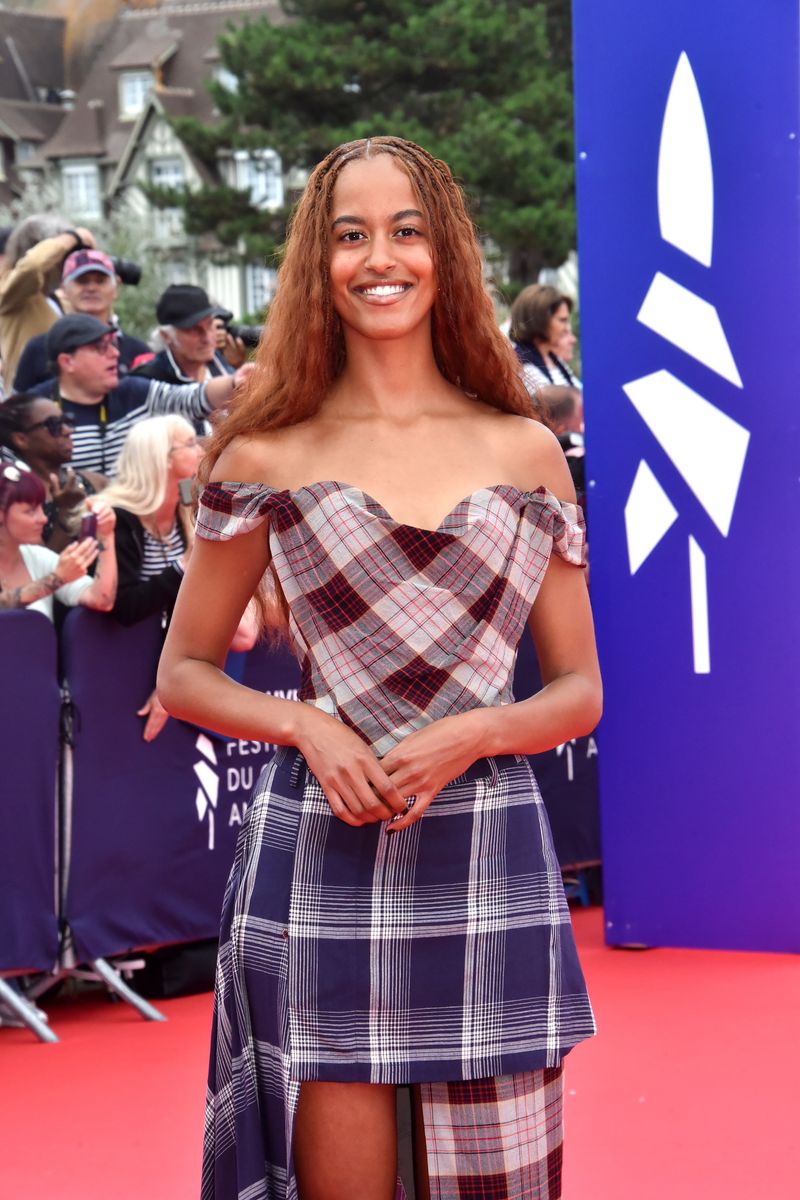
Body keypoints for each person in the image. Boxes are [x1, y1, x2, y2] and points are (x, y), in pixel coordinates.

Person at [158, 136, 601, 1200]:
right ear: (319, 263)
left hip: (486, 854)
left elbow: (577, 689)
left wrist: (479, 730)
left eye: (405, 230)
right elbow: (185, 672)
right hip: (318, 860)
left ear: (444, 252)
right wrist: (308, 726)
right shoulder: (264, 455)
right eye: (349, 235)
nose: (378, 256)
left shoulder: (522, 450)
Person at [96, 414, 256, 741]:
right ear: (162, 459)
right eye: (189, 444)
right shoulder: (115, 516)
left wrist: (173, 683)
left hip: (164, 674)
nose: (201, 450)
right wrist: (184, 565)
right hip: (113, 676)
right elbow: (123, 605)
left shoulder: (187, 512)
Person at [29, 314, 252, 476]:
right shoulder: (33, 411)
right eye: (101, 348)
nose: (115, 354)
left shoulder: (131, 391)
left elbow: (190, 397)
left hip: (131, 526)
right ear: (67, 362)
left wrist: (235, 381)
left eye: (113, 345)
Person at [13, 249, 151, 392]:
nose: (91, 288)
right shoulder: (39, 348)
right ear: (63, 289)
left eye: (100, 281)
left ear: (115, 287)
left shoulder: (137, 350)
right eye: (82, 281)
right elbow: (17, 409)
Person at [0, 462, 116, 619]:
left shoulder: (38, 557)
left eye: (41, 508)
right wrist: (56, 579)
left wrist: (106, 534)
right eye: (30, 511)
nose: (43, 518)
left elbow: (102, 600)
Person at [0, 392, 106, 551]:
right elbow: (39, 569)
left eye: (67, 421)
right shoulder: (15, 499)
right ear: (21, 439)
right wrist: (67, 513)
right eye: (54, 425)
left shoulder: (96, 483)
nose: (67, 430)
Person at [0, 216, 95, 391]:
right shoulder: (10, 295)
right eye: (60, 255)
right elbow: (32, 266)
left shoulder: (56, 299)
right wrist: (71, 237)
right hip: (26, 400)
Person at [132, 284, 236, 386]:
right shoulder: (148, 383)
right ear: (166, 336)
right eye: (194, 330)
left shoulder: (222, 366)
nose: (207, 338)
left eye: (210, 325)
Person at [509, 284, 581, 397]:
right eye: (562, 320)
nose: (568, 328)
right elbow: (551, 409)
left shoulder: (553, 358)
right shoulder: (523, 366)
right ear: (540, 321)